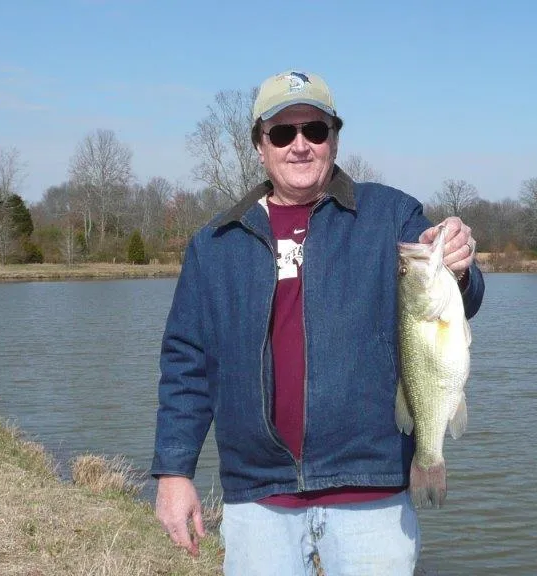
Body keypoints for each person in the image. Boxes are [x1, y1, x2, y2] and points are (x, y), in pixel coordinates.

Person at [151, 69, 484, 575]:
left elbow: (460, 293)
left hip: (371, 495)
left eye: (315, 130)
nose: (300, 145)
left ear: (335, 138)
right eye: (283, 133)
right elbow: (185, 363)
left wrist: (457, 262)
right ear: (260, 146)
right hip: (258, 499)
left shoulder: (390, 215)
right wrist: (174, 471)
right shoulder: (215, 244)